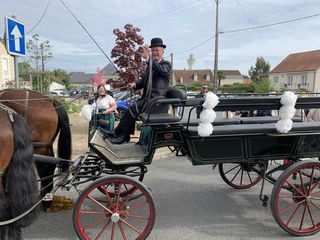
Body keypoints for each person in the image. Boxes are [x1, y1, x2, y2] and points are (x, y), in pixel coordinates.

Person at [107, 37, 171, 144]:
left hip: (157, 101)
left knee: (132, 108)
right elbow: (143, 81)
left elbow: (161, 71)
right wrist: (134, 84)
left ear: (162, 51)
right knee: (130, 109)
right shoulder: (150, 66)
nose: (154, 53)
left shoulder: (166, 65)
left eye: (157, 50)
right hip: (147, 99)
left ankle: (122, 136)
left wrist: (148, 59)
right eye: (153, 50)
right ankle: (119, 133)